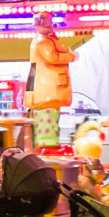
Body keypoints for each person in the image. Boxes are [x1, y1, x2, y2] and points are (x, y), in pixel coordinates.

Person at [28, 11, 76, 147]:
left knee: (50, 123)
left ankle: (48, 145)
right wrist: (71, 56)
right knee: (47, 129)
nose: (51, 25)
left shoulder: (43, 40)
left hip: (47, 92)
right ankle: (47, 148)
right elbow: (53, 57)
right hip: (47, 92)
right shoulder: (43, 41)